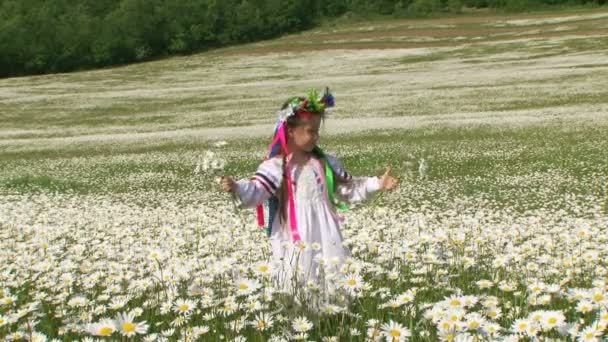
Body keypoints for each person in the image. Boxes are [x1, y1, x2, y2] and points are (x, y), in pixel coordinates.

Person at [219, 89, 397, 293]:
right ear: (290, 132)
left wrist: (377, 183)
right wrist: (237, 187)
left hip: (325, 232)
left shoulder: (325, 163)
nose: (316, 136)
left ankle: (332, 319)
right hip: (294, 237)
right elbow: (258, 191)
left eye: (317, 130)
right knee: (297, 278)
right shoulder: (277, 167)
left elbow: (346, 189)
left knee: (330, 275)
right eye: (311, 131)